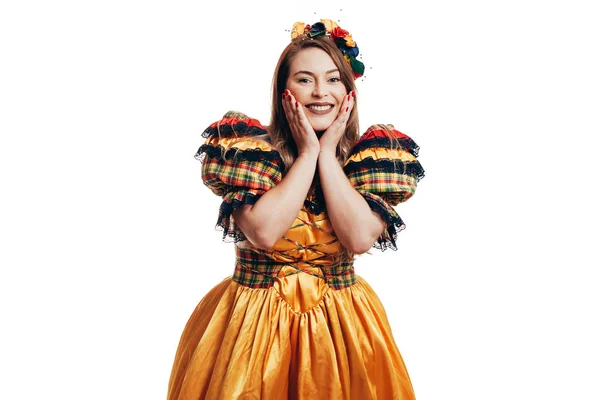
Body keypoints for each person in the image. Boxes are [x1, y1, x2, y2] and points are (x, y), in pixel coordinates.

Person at [167, 19, 425, 400]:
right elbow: (264, 233)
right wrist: (307, 154)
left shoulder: (368, 159)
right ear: (283, 90)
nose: (320, 92)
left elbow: (357, 239)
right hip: (252, 325)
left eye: (334, 79)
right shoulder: (250, 154)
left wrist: (328, 157)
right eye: (305, 80)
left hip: (342, 327)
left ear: (349, 91)